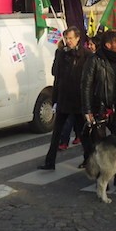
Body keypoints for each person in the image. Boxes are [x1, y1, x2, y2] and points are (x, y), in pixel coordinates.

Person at [80, 30, 116, 187]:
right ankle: (101, 177)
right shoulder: (94, 60)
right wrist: (87, 110)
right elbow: (86, 86)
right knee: (100, 145)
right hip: (99, 109)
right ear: (108, 44)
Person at [38, 27, 88, 171]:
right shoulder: (61, 53)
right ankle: (49, 162)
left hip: (78, 100)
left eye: (71, 38)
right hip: (63, 98)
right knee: (56, 134)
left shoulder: (85, 55)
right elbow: (56, 73)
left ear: (78, 38)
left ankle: (88, 160)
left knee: (83, 134)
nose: (68, 41)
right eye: (66, 38)